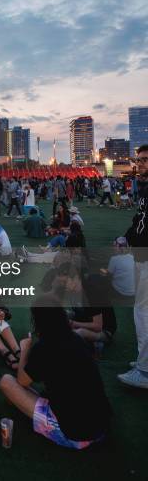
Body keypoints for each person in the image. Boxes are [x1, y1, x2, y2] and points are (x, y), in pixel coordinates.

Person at [0, 294, 111, 449]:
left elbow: (22, 381)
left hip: (75, 434)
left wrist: (25, 349)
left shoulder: (44, 347)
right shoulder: (77, 338)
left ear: (37, 321)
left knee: (6, 381)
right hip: (102, 423)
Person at [119, 144, 148, 388]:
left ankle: (145, 370)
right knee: (141, 311)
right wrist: (127, 237)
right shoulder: (144, 190)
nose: (141, 164)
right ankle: (143, 361)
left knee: (143, 312)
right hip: (141, 256)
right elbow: (139, 220)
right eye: (139, 160)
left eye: (146, 160)